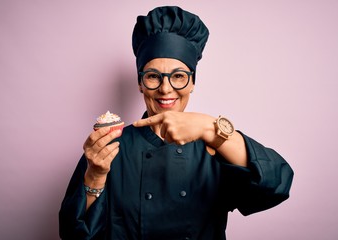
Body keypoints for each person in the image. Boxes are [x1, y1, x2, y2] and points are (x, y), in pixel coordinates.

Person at [59, 6, 294, 240]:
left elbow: (276, 186)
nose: (165, 88)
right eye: (153, 76)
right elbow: (74, 235)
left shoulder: (216, 144)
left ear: (192, 82)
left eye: (178, 76)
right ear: (140, 83)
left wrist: (211, 128)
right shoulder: (110, 146)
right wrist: (95, 176)